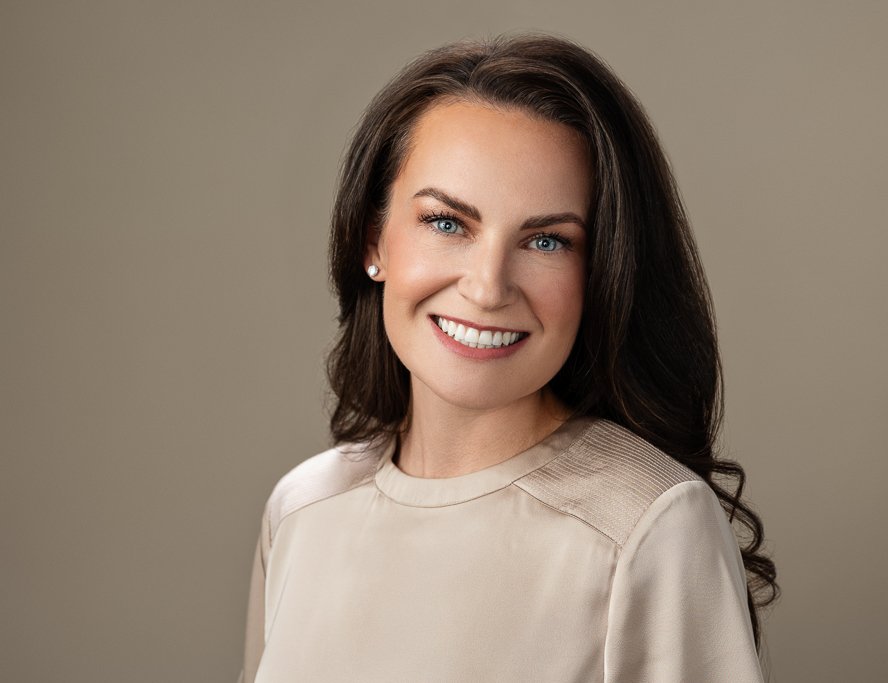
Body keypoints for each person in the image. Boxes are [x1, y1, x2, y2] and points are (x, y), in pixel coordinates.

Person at [238, 33, 778, 683]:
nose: (488, 286)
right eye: (447, 223)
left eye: (546, 239)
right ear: (372, 237)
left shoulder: (650, 524)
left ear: (602, 270)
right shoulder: (300, 509)